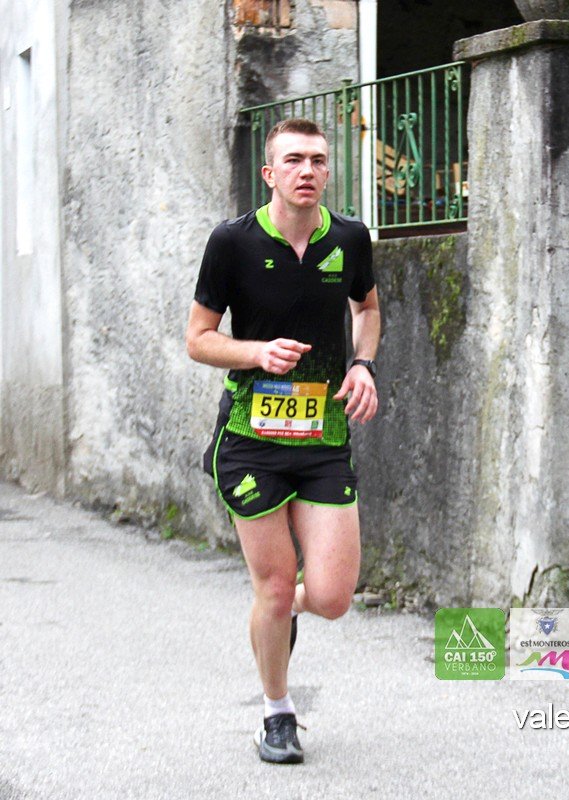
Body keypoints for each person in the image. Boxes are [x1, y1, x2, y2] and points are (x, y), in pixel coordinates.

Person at [185, 118, 380, 764]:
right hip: (251, 439)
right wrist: (256, 353)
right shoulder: (232, 243)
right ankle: (277, 713)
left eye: (318, 160)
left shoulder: (349, 238)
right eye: (293, 160)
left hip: (323, 438)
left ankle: (279, 611)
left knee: (332, 598)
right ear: (269, 173)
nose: (308, 171)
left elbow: (367, 309)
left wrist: (362, 364)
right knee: (272, 586)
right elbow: (198, 339)